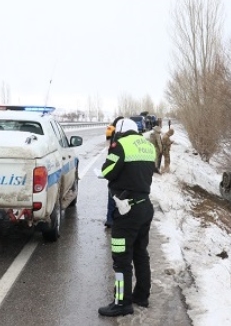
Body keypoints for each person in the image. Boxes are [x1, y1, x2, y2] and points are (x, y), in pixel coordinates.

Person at [98, 118, 156, 317]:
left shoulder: (120, 145)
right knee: (141, 252)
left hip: (127, 210)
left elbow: (107, 171)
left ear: (120, 131)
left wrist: (112, 150)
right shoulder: (148, 146)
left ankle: (122, 303)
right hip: (145, 207)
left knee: (121, 258)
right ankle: (141, 295)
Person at [104, 116, 124, 228]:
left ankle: (110, 219)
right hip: (122, 168)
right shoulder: (123, 136)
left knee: (111, 194)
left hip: (112, 165)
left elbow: (108, 148)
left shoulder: (112, 133)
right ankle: (119, 218)